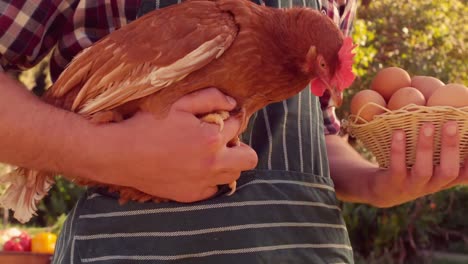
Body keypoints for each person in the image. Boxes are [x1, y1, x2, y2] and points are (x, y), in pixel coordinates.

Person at [0, 0, 466, 263]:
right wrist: (106, 152)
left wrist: (377, 183)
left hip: (304, 252)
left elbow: (314, 135)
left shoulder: (316, 29)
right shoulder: (220, 26)